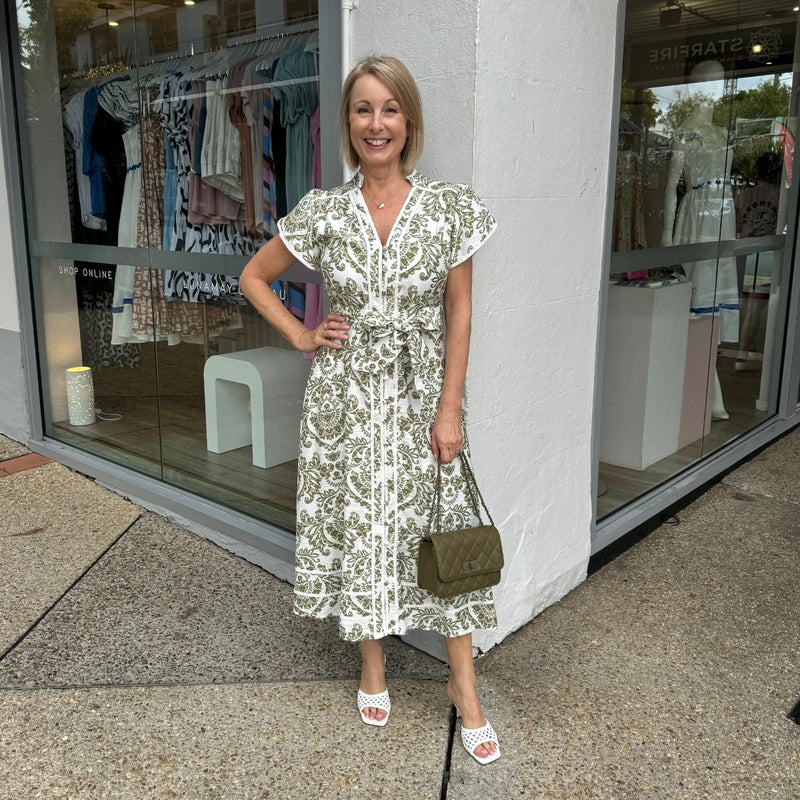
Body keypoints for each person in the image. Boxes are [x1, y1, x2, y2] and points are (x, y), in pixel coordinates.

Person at [239, 55, 500, 764]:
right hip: (345, 398)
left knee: (440, 530)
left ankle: (464, 686)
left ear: (408, 119)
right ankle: (373, 664)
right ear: (348, 123)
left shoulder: (449, 207)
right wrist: (300, 333)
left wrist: (449, 409)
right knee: (361, 525)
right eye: (362, 109)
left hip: (422, 396)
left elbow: (461, 312)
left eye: (388, 109)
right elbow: (254, 277)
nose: (375, 123)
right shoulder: (325, 210)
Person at [661, 60, 740, 420]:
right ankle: (705, 393)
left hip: (723, 217)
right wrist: (666, 235)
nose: (713, 89)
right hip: (697, 217)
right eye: (706, 83)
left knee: (713, 306)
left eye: (718, 82)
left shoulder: (724, 133)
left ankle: (710, 391)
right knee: (697, 306)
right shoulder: (684, 133)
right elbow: (671, 187)